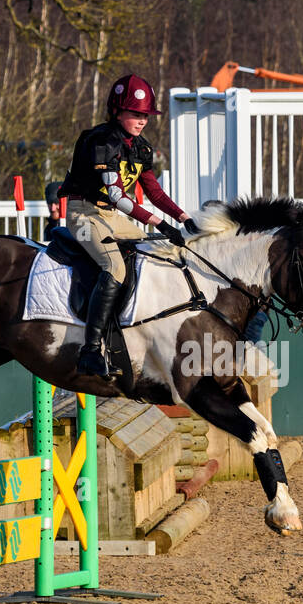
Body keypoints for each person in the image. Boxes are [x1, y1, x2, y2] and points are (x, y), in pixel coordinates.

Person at [56, 74, 198, 378]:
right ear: (117, 112)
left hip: (111, 217)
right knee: (116, 268)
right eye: (136, 114)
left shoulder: (141, 148)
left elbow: (154, 192)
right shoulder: (100, 141)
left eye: (145, 115)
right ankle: (90, 350)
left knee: (152, 252)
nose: (142, 120)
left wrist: (183, 217)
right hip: (84, 214)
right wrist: (159, 222)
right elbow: (116, 195)